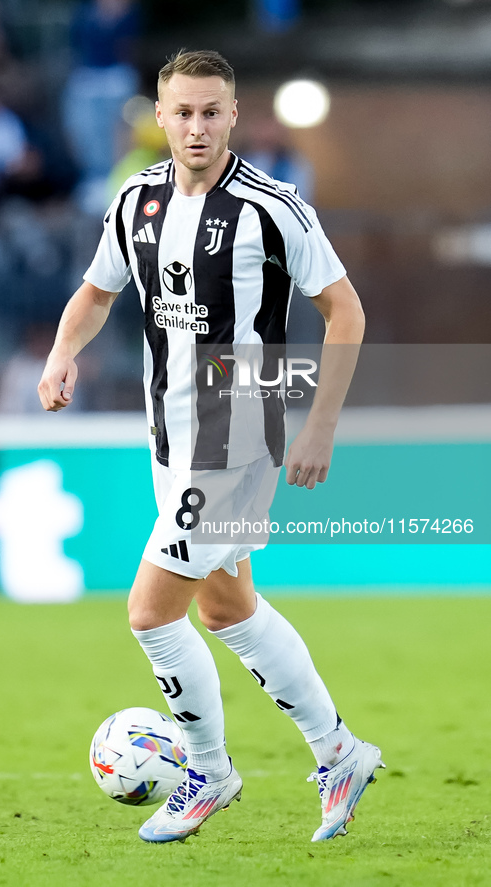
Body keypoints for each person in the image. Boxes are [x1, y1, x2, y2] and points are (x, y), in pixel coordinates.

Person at [38, 49, 385, 845]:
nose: (196, 125)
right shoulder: (135, 200)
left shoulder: (273, 207)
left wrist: (321, 424)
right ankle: (338, 752)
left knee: (150, 610)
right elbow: (97, 289)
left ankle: (207, 769)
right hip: (170, 431)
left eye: (211, 111)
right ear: (159, 118)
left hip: (235, 432)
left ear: (233, 115)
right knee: (227, 606)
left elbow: (345, 311)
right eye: (182, 112)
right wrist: (64, 352)